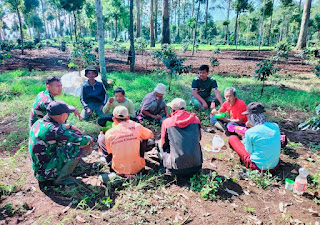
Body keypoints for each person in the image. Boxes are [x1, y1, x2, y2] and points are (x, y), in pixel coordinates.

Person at [29, 100, 93, 185]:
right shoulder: (56, 131)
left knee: (66, 143)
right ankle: (62, 178)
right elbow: (83, 140)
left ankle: (62, 169)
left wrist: (70, 126)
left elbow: (57, 128)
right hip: (45, 174)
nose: (67, 116)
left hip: (39, 168)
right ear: (62, 115)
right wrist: (90, 142)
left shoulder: (40, 122)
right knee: (76, 146)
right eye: (67, 114)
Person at [98, 106, 154, 176]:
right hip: (138, 168)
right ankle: (139, 160)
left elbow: (110, 152)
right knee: (143, 137)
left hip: (119, 170)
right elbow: (150, 134)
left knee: (101, 139)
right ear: (128, 117)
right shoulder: (136, 126)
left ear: (114, 119)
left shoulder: (109, 133)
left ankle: (112, 167)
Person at [228, 102, 281, 172]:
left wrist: (244, 137)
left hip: (257, 167)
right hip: (275, 165)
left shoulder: (250, 132)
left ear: (251, 117)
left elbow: (249, 151)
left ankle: (235, 155)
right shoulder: (275, 126)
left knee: (232, 138)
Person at [159, 98, 203, 176]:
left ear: (172, 111)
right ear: (185, 109)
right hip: (196, 166)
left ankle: (163, 168)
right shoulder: (196, 120)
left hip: (176, 168)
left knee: (159, 144)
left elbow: (163, 144)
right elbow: (199, 138)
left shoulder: (167, 122)